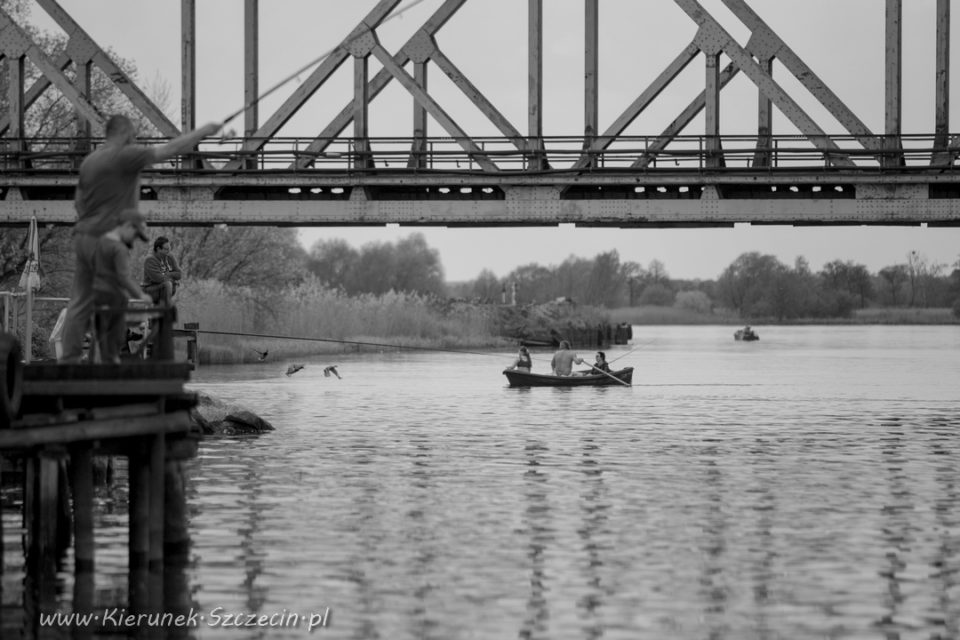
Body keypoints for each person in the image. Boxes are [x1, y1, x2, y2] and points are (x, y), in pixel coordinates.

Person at [59, 114, 222, 363]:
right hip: (106, 240)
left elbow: (78, 203)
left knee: (79, 301)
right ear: (124, 133)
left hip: (82, 236)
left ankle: (68, 361)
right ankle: (110, 360)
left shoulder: (89, 162)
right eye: (133, 134)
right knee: (116, 299)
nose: (134, 139)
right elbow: (168, 151)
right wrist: (204, 131)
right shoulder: (124, 155)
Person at [92, 209, 153, 364]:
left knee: (100, 338)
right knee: (115, 340)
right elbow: (123, 278)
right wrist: (141, 296)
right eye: (135, 235)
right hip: (114, 300)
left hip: (97, 297)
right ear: (127, 226)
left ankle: (97, 373)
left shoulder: (101, 242)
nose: (134, 240)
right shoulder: (120, 249)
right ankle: (111, 372)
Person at [142, 236, 182, 304]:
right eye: (166, 249)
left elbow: (179, 274)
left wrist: (169, 274)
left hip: (164, 288)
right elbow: (158, 278)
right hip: (150, 289)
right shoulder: (150, 259)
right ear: (158, 249)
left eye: (169, 249)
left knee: (168, 284)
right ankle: (165, 310)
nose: (168, 251)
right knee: (167, 284)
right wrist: (173, 280)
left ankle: (164, 309)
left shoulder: (170, 256)